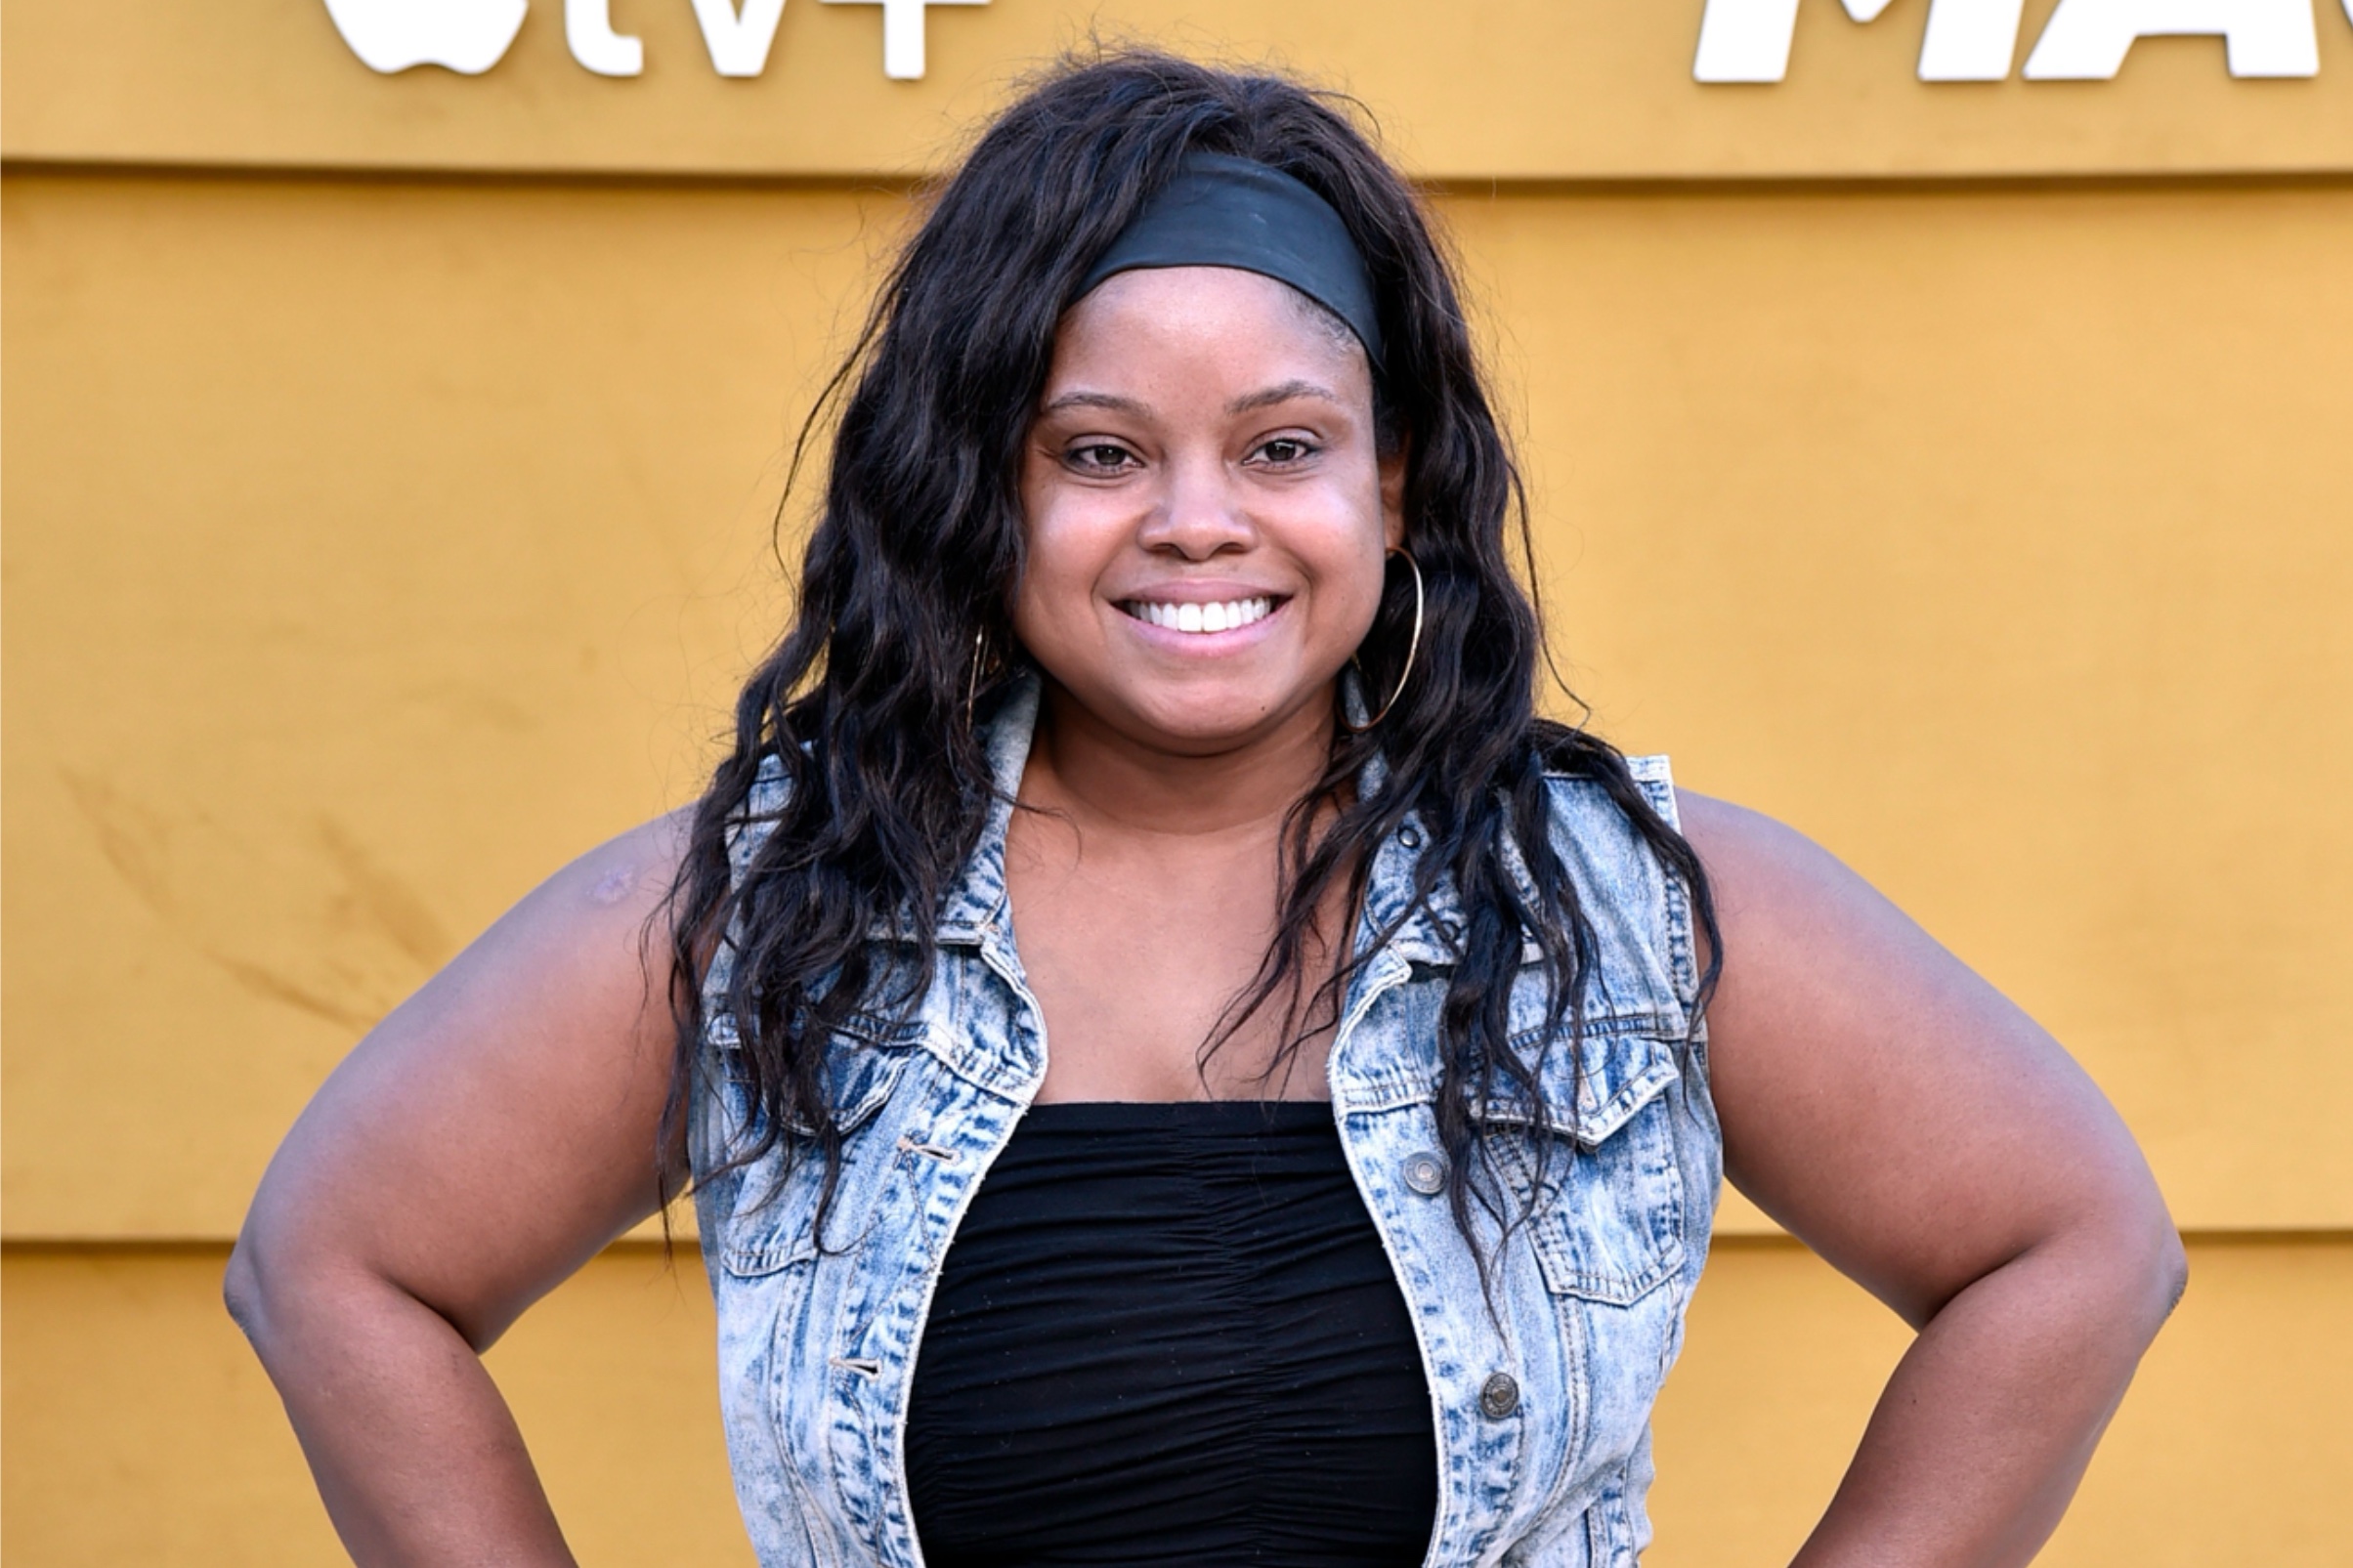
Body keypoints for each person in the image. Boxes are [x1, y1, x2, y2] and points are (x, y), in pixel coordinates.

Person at [225, 51, 2185, 1568]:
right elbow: (335, 1260)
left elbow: (2073, 1240)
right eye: (1098, 451)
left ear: (1390, 484)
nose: (1195, 520)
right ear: (981, 491)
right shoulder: (787, 903)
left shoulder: (1621, 903)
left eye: (1281, 445)